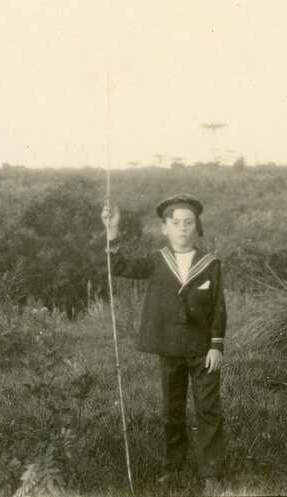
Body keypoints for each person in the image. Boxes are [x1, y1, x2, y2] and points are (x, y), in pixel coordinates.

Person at [101, 194, 227, 495]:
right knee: (172, 409)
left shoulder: (210, 264)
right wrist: (111, 229)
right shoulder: (156, 261)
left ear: (197, 227)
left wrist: (216, 346)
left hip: (202, 350)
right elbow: (119, 266)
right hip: (169, 348)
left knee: (208, 408)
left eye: (188, 222)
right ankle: (173, 466)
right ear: (164, 228)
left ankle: (211, 472)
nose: (182, 228)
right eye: (175, 223)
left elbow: (218, 307)